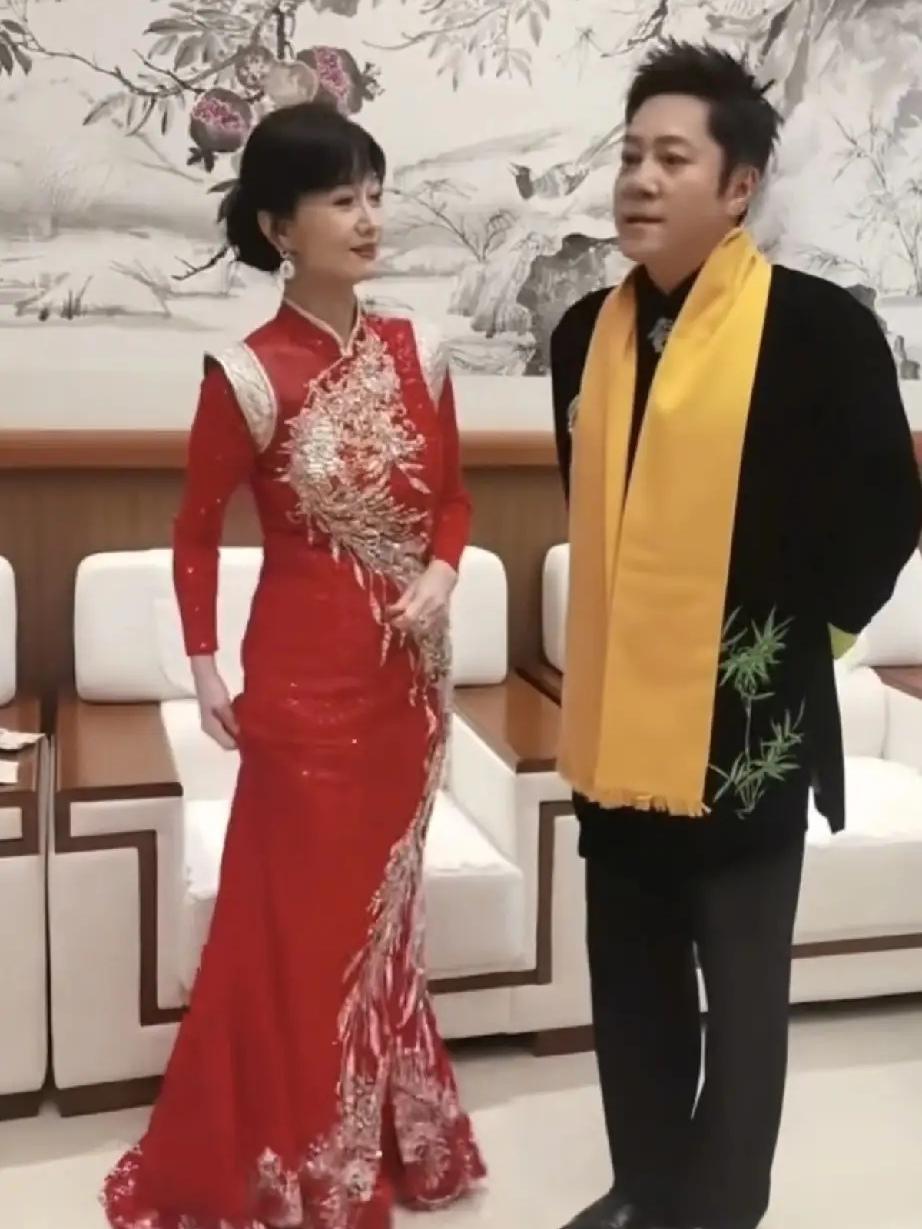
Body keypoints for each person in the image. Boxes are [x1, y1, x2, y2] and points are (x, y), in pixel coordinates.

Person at [550, 41, 922, 1229]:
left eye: (672, 157)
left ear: (739, 185)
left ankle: (716, 1210)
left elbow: (886, 509)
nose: (639, 180)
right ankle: (644, 1187)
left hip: (747, 724)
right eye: (629, 155)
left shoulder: (818, 331)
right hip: (619, 725)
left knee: (743, 989)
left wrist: (802, 636)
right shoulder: (583, 335)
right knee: (632, 982)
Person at [102, 101, 484, 1229]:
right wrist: (206, 669)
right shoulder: (248, 372)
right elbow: (194, 530)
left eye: (374, 194)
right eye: (340, 199)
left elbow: (454, 501)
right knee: (297, 923)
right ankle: (297, 1156)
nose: (368, 218)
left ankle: (383, 1133)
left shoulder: (421, 350)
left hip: (410, 684)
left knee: (384, 919)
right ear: (279, 226)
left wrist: (443, 573)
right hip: (303, 691)